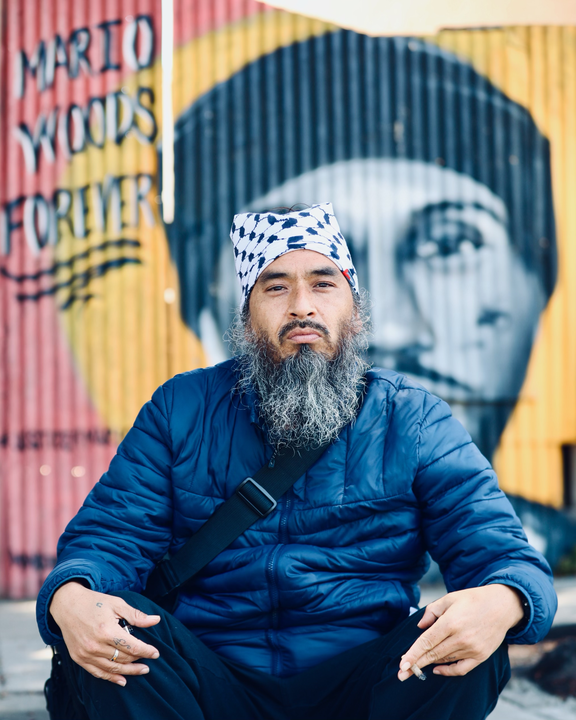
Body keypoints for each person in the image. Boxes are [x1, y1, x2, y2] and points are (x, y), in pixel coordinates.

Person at [37, 202, 556, 720]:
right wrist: (72, 599)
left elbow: (504, 556)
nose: (302, 306)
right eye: (277, 286)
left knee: (469, 645)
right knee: (115, 635)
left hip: (367, 685)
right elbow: (108, 539)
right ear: (247, 311)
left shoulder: (413, 419)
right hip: (210, 684)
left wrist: (503, 601)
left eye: (323, 284)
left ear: (352, 306)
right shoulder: (181, 409)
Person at [161, 34, 557, 461]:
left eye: (450, 245)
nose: (392, 331)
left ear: (539, 282)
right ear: (208, 309)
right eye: (283, 273)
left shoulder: (483, 521)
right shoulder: (172, 436)